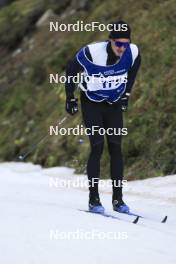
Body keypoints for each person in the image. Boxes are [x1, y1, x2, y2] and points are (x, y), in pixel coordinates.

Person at [65, 20, 141, 214]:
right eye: (118, 44)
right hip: (91, 103)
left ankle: (118, 200)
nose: (122, 48)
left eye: (126, 43)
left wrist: (126, 96)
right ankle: (94, 200)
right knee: (97, 146)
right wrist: (70, 98)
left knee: (116, 147)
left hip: (113, 104)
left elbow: (131, 75)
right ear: (110, 41)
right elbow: (71, 70)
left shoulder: (132, 53)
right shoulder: (91, 53)